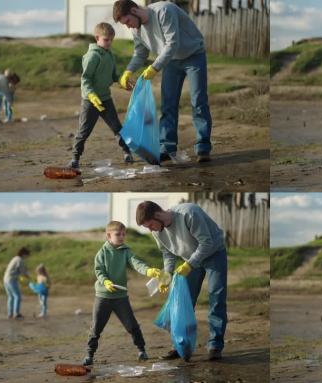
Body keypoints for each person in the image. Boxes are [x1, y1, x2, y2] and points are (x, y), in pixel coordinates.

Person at [113, 0, 213, 163]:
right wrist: (128, 71)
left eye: (128, 22)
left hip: (193, 56)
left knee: (198, 102)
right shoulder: (137, 29)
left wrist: (154, 68)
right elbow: (140, 53)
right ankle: (167, 148)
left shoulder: (164, 11)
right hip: (171, 62)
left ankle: (203, 148)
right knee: (168, 105)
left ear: (134, 10)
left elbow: (172, 44)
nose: (128, 26)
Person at [136, 200, 228, 361]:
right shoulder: (157, 232)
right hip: (190, 260)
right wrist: (167, 275)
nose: (150, 230)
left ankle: (215, 345)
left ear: (158, 215)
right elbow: (168, 253)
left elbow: (207, 243)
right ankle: (181, 345)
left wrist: (189, 264)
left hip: (214, 253)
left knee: (216, 297)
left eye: (150, 225)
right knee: (182, 302)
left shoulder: (189, 213)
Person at [82, 220, 162, 366]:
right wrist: (105, 282)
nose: (121, 237)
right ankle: (89, 354)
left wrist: (148, 270)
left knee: (132, 325)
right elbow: (99, 271)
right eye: (118, 234)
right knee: (96, 328)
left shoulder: (126, 251)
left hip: (120, 298)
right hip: (103, 297)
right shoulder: (102, 253)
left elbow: (137, 263)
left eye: (123, 234)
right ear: (108, 236)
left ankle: (141, 350)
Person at [69, 22, 134, 170]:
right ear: (97, 38)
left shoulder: (110, 55)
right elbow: (85, 80)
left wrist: (121, 81)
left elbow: (113, 76)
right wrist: (91, 96)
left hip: (105, 98)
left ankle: (127, 152)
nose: (109, 43)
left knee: (117, 127)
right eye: (106, 40)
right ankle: (74, 158)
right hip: (90, 101)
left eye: (111, 39)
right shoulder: (92, 56)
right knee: (84, 131)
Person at [3, 247, 31, 319]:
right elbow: (23, 272)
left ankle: (10, 314)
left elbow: (20, 270)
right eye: (27, 255)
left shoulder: (15, 258)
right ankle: (16, 314)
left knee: (10, 297)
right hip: (11, 279)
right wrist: (29, 277)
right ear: (24, 254)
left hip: (6, 279)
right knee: (17, 296)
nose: (27, 257)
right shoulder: (20, 260)